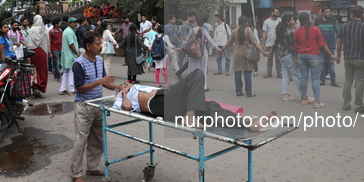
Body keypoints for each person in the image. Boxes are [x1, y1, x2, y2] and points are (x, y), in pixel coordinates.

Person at [113, 69, 277, 130]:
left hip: (168, 99)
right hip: (158, 103)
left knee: (210, 107)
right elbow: (126, 108)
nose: (125, 83)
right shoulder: (121, 97)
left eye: (125, 83)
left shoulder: (136, 86)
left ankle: (248, 123)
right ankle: (190, 116)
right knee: (196, 74)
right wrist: (125, 92)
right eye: (122, 84)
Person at [70, 31, 117, 182]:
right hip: (84, 106)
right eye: (97, 44)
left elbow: (104, 83)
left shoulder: (99, 59)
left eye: (100, 43)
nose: (101, 46)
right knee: (80, 141)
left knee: (97, 139)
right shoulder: (78, 63)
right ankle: (76, 174)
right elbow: (80, 88)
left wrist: (118, 87)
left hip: (98, 105)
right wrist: (100, 81)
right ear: (88, 46)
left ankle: (92, 168)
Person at [294, 12, 338, 108]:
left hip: (301, 55)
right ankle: (317, 102)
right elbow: (322, 44)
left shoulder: (297, 31)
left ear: (300, 21)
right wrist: (331, 54)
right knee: (315, 78)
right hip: (313, 55)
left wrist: (296, 58)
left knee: (303, 77)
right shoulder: (315, 29)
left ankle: (304, 99)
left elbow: (295, 46)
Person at [220, 16, 268, 97]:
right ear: (246, 22)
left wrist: (222, 50)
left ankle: (238, 91)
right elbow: (254, 42)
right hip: (247, 53)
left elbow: (228, 42)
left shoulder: (235, 30)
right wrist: (263, 52)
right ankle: (249, 92)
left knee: (237, 72)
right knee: (247, 73)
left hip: (237, 53)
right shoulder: (248, 29)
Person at [336, 7, 364, 113]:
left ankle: (346, 104)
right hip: (361, 57)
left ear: (352, 15)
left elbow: (339, 43)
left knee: (348, 80)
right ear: (361, 15)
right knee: (360, 81)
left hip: (348, 57)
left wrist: (338, 56)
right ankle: (359, 106)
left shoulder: (344, 26)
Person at [269, 14, 303, 102]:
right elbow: (292, 47)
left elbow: (276, 42)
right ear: (288, 22)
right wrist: (295, 58)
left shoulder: (281, 30)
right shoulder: (290, 32)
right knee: (296, 76)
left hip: (281, 54)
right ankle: (304, 96)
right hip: (288, 55)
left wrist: (270, 51)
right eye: (292, 20)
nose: (294, 21)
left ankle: (285, 95)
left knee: (285, 75)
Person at [182, 18, 218, 91]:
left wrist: (180, 48)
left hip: (192, 53)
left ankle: (191, 86)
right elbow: (210, 41)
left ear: (196, 22)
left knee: (192, 70)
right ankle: (204, 87)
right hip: (202, 53)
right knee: (202, 70)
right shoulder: (204, 31)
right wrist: (218, 49)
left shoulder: (191, 30)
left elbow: (186, 41)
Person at [314, 7, 341, 87]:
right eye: (327, 12)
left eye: (329, 12)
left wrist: (338, 41)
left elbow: (337, 31)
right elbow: (314, 32)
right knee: (322, 63)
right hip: (320, 46)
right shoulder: (317, 21)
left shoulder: (333, 20)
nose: (329, 13)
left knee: (331, 63)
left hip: (331, 45)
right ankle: (322, 80)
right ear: (322, 13)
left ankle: (333, 81)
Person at [26, 15, 50, 98]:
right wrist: (48, 52)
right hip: (43, 52)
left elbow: (30, 42)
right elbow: (47, 42)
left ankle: (35, 88)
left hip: (33, 52)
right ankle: (41, 89)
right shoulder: (44, 30)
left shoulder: (32, 29)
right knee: (42, 70)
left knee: (34, 70)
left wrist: (28, 54)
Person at [60, 17, 80, 95]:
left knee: (66, 72)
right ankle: (71, 89)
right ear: (69, 23)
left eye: (76, 22)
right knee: (71, 72)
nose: (76, 24)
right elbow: (71, 45)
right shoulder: (69, 32)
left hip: (67, 54)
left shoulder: (68, 31)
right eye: (74, 22)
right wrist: (77, 54)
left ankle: (62, 89)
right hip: (70, 55)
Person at [261, 8, 282, 78]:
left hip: (278, 44)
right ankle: (269, 73)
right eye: (276, 12)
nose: (277, 14)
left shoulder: (280, 21)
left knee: (278, 59)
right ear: (271, 13)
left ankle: (279, 73)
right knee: (269, 59)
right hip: (269, 43)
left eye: (278, 12)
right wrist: (262, 44)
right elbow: (264, 33)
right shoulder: (267, 21)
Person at [176, 12, 196, 78]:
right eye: (192, 18)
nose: (193, 19)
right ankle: (180, 72)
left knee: (191, 60)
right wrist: (193, 38)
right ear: (188, 17)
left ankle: (180, 72)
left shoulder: (193, 25)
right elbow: (184, 37)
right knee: (188, 60)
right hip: (186, 46)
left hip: (192, 46)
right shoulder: (184, 26)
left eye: (194, 18)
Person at [49, 18, 63, 82]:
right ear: (56, 24)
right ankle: (59, 77)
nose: (60, 24)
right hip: (54, 49)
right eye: (59, 23)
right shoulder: (51, 31)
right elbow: (49, 41)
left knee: (61, 64)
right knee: (56, 64)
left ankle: (56, 72)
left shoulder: (60, 30)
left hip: (60, 49)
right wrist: (50, 52)